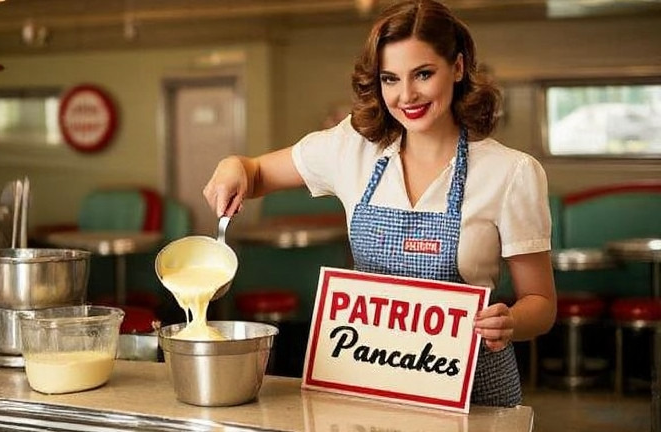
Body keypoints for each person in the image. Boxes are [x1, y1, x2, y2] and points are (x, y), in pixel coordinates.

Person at [202, 0, 556, 407]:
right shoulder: (354, 148)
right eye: (390, 79)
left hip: (472, 392)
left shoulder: (511, 172)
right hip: (373, 385)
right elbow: (254, 172)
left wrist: (510, 321)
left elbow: (541, 305)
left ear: (457, 67)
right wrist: (232, 166)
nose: (406, 95)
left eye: (423, 74)